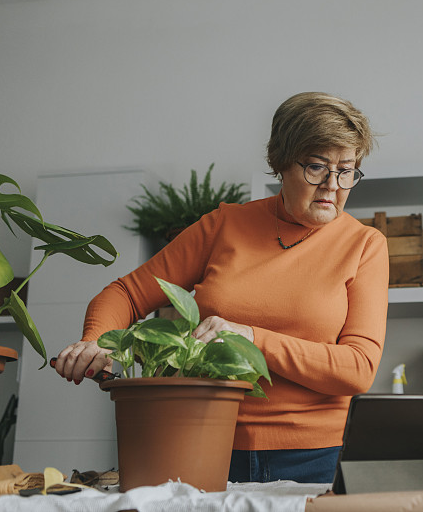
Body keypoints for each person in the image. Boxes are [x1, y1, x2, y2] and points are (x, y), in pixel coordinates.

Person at [54, 92, 390, 484]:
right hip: (202, 442)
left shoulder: (365, 245)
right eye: (316, 167)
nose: (333, 185)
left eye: (347, 170)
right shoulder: (224, 226)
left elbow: (358, 369)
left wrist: (249, 337)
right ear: (281, 162)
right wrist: (96, 341)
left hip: (317, 458)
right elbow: (124, 294)